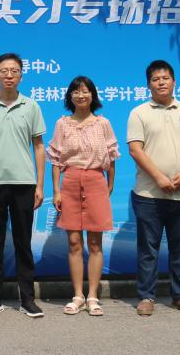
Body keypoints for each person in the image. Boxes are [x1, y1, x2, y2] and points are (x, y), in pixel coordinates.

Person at [127, 60, 180, 316]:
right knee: (148, 249)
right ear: (148, 84)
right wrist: (159, 177)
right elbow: (135, 149)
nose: (161, 82)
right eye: (155, 79)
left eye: (165, 78)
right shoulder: (139, 112)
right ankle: (146, 297)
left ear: (174, 81)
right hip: (148, 193)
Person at [0, 52, 47, 318]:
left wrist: (39, 185)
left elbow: (39, 147)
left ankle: (27, 298)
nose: (9, 75)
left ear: (21, 76)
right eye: (4, 71)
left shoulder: (31, 106)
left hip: (24, 182)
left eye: (14, 71)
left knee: (23, 243)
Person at [47, 76, 120, 317]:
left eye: (85, 91)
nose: (81, 96)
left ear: (93, 95)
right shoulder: (62, 124)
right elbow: (55, 159)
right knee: (74, 242)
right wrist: (56, 190)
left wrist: (109, 185)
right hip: (70, 181)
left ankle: (93, 296)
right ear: (70, 96)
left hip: (95, 180)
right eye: (76, 92)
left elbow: (111, 157)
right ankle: (78, 295)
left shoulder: (103, 123)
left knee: (95, 242)